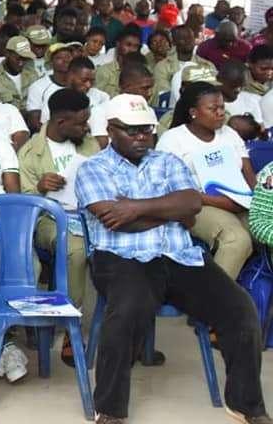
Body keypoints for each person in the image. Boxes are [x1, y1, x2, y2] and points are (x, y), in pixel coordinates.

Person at [75, 93, 268, 424]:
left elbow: (191, 205)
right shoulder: (92, 168)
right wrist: (167, 209)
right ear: (110, 130)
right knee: (127, 312)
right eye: (131, 130)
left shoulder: (167, 161)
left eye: (147, 129)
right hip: (122, 257)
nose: (141, 136)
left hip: (180, 255)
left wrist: (133, 207)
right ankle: (110, 408)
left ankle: (245, 404)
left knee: (240, 309)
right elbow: (119, 222)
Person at [19, 88, 98, 364]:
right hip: (49, 219)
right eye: (81, 122)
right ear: (61, 122)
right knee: (75, 250)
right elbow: (23, 204)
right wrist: (40, 188)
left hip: (91, 214)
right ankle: (71, 328)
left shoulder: (89, 145)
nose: (86, 127)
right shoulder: (31, 152)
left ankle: (124, 325)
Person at [156, 82, 255, 279]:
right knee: (236, 240)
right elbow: (169, 189)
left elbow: (249, 175)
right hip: (198, 205)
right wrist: (223, 202)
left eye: (222, 107)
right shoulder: (172, 140)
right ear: (193, 112)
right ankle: (215, 297)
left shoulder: (230, 134)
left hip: (241, 202)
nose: (221, 113)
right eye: (213, 108)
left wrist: (257, 201)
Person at [25, 42, 80, 130]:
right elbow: (34, 122)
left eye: (68, 57)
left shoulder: (79, 84)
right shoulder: (38, 87)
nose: (65, 60)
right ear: (51, 62)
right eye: (59, 58)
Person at [95, 26, 142, 97]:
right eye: (128, 45)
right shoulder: (104, 71)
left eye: (135, 46)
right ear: (118, 44)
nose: (132, 49)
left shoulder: (142, 72)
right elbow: (96, 98)